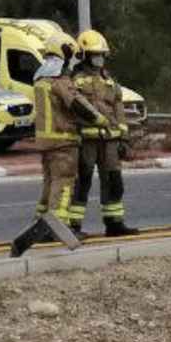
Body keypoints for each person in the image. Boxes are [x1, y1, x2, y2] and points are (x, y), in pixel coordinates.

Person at [10, 34, 107, 257]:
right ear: (63, 55)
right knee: (63, 187)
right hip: (63, 141)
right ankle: (56, 229)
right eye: (70, 57)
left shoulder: (40, 80)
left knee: (48, 185)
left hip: (45, 143)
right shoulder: (59, 81)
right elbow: (77, 104)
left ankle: (38, 224)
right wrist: (98, 119)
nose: (71, 62)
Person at [68, 30, 138, 237]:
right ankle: (74, 226)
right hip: (86, 141)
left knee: (114, 181)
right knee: (83, 182)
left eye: (101, 55)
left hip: (109, 142)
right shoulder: (74, 80)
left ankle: (114, 223)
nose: (99, 59)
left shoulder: (109, 81)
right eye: (94, 54)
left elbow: (119, 110)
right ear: (83, 55)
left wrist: (124, 138)